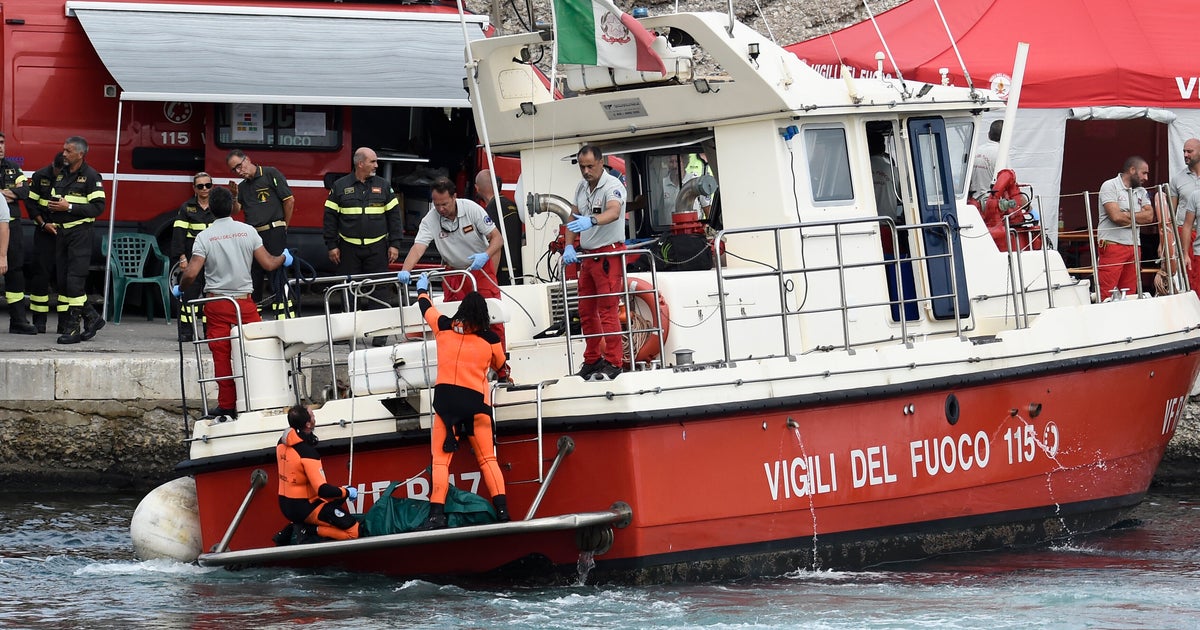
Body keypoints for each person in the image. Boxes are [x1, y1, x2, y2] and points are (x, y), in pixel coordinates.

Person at [178, 186, 291, 418]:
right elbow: (268, 264)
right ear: (232, 206)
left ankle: (227, 406)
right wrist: (285, 257)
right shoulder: (248, 231)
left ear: (211, 209)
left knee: (221, 356)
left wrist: (181, 287)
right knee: (257, 350)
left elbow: (191, 273)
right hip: (244, 303)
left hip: (217, 303)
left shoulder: (204, 236)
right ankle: (259, 400)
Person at [412, 272, 510, 529]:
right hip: (476, 405)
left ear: (461, 311)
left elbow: (426, 308)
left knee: (440, 461)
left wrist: (422, 289)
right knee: (488, 460)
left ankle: (436, 515)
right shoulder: (491, 340)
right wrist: (503, 374)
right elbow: (501, 366)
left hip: (446, 406)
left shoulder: (444, 327)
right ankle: (502, 511)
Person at [397, 177, 505, 347]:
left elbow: (497, 239)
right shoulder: (430, 219)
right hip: (453, 273)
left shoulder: (472, 209)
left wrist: (485, 255)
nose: (440, 209)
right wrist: (406, 270)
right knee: (454, 319)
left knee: (491, 316)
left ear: (454, 197)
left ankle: (500, 364)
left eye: (445, 204)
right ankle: (460, 357)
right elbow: (418, 247)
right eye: (436, 204)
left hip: (480, 270)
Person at [563, 145, 627, 382]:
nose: (586, 171)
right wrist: (569, 244)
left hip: (608, 255)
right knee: (586, 312)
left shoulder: (613, 186)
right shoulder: (582, 186)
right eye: (582, 167)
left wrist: (592, 220)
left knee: (608, 310)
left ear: (602, 163)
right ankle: (592, 359)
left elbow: (613, 211)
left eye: (590, 166)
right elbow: (572, 216)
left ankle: (614, 361)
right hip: (588, 257)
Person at [323, 147, 401, 337]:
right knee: (348, 289)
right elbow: (330, 218)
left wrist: (395, 244)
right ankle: (348, 333)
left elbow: (394, 217)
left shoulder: (384, 186)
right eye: (372, 161)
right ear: (360, 163)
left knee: (380, 290)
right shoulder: (340, 186)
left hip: (377, 247)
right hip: (348, 248)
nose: (376, 165)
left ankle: (379, 334)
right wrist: (332, 245)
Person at [44, 136, 105, 345]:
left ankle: (72, 329)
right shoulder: (61, 175)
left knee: (74, 282)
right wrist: (52, 208)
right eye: (63, 150)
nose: (64, 154)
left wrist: (68, 207)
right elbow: (53, 198)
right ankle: (93, 317)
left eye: (68, 151)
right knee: (62, 282)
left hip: (80, 234)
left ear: (80, 154)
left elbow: (98, 207)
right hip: (62, 234)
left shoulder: (91, 176)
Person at [276, 405, 363, 541]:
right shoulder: (307, 453)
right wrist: (346, 491)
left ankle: (302, 526)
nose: (315, 417)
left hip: (286, 505)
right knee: (354, 531)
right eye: (313, 415)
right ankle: (310, 530)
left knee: (334, 504)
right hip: (305, 508)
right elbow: (322, 490)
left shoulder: (281, 443)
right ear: (308, 424)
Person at [226, 149, 294, 319]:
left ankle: (285, 321)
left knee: (277, 277)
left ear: (247, 159)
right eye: (234, 170)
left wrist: (283, 226)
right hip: (253, 236)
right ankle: (255, 322)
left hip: (274, 231)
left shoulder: (270, 173)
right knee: (254, 279)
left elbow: (289, 200)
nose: (239, 171)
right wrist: (234, 197)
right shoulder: (242, 187)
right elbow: (235, 212)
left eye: (239, 166)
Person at [1097, 156, 1156, 299]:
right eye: (1144, 173)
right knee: (1107, 293)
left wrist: (1126, 215)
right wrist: (1136, 216)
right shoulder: (1109, 185)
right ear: (1132, 170)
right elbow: (1116, 217)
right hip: (1113, 245)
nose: (1147, 178)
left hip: (1134, 247)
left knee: (1130, 294)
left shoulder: (1141, 190)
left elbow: (1150, 217)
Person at [170, 172, 216, 342]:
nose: (204, 189)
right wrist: (182, 258)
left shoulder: (217, 207)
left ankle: (209, 332)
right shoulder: (186, 207)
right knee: (188, 295)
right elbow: (178, 234)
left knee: (211, 297)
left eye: (208, 185)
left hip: (214, 260)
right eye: (200, 186)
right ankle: (186, 332)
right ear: (194, 188)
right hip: (193, 259)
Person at [24, 154, 67, 334]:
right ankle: (39, 322)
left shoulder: (72, 177)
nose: (59, 176)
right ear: (53, 165)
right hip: (44, 232)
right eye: (57, 172)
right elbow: (31, 204)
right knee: (40, 275)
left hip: (65, 233)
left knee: (64, 277)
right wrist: (43, 224)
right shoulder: (40, 176)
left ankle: (64, 324)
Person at [0, 131, 33, 334]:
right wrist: (9, 194)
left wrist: (2, 194)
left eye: (2, 143)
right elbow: (16, 193)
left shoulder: (12, 168)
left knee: (15, 271)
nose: (0, 147)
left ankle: (18, 320)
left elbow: (25, 191)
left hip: (12, 227)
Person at [475, 169, 523, 285]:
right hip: (518, 268)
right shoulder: (511, 204)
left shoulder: (493, 208)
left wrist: (490, 279)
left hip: (502, 272)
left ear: (477, 188)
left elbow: (495, 243)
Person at [1169, 138, 1200, 294]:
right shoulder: (1177, 179)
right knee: (1189, 277)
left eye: (1190, 151)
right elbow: (1171, 213)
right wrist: (1168, 241)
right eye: (1184, 151)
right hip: (1185, 232)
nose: (1186, 154)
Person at [869, 132, 901, 219]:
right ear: (883, 147)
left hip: (866, 223)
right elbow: (901, 196)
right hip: (888, 222)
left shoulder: (858, 170)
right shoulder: (893, 171)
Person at [970, 120, 1003, 202]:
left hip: (974, 203)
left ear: (988, 134)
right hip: (992, 205)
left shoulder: (976, 151)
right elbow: (1011, 184)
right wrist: (1029, 208)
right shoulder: (1001, 154)